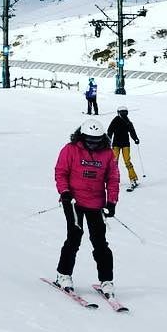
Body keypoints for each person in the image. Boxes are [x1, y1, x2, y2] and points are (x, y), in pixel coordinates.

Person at [53, 117, 119, 296]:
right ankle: (63, 274)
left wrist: (111, 202)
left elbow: (113, 178)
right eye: (89, 140)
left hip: (95, 202)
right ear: (82, 136)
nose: (92, 144)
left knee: (100, 242)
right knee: (74, 236)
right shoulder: (70, 150)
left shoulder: (107, 153)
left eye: (96, 140)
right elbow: (61, 172)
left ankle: (106, 280)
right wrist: (64, 192)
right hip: (73, 201)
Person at [107, 104, 141, 191]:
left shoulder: (128, 122)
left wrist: (135, 139)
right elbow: (110, 131)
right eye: (122, 112)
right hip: (116, 145)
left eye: (125, 112)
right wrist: (108, 140)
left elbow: (132, 132)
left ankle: (133, 179)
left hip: (125, 144)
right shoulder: (116, 120)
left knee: (126, 161)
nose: (123, 114)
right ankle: (114, 179)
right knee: (115, 162)